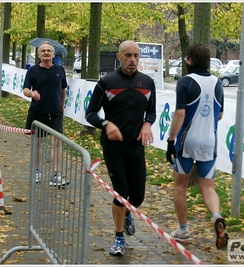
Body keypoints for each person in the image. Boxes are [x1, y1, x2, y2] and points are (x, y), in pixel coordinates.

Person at [85, 40, 156, 257]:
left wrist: (147, 124)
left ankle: (126, 214)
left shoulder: (147, 82)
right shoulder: (106, 82)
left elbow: (152, 112)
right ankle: (118, 238)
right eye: (128, 55)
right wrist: (106, 124)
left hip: (136, 145)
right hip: (113, 145)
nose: (132, 60)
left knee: (138, 196)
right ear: (119, 57)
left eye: (136, 55)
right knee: (121, 192)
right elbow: (90, 114)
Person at [166, 43, 228, 249]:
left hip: (187, 141)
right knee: (208, 187)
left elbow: (180, 114)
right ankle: (217, 217)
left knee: (180, 185)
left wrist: (170, 141)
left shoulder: (185, 82)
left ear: (190, 60)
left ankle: (183, 230)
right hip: (209, 141)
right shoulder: (218, 83)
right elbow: (219, 114)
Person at [23, 41, 69, 187]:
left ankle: (56, 174)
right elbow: (25, 89)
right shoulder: (33, 71)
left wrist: (61, 107)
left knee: (57, 143)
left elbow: (63, 90)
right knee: (37, 143)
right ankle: (37, 170)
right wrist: (32, 93)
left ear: (53, 54)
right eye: (43, 51)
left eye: (49, 50)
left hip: (55, 113)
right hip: (38, 112)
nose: (46, 53)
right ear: (38, 54)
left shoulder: (60, 70)